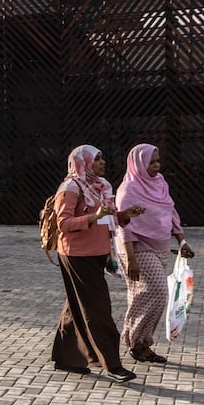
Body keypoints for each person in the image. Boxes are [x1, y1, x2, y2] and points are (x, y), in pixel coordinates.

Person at [51, 145, 143, 383]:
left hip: (97, 253)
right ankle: (112, 364)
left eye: (102, 157)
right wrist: (94, 216)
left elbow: (108, 216)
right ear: (84, 161)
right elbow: (64, 223)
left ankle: (67, 358)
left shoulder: (99, 186)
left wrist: (124, 215)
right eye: (98, 158)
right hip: (77, 255)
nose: (103, 162)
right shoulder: (70, 187)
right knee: (98, 308)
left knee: (77, 303)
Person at [115, 144, 194, 364]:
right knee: (157, 291)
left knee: (144, 295)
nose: (156, 166)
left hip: (160, 246)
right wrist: (130, 259)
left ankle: (142, 344)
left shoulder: (160, 183)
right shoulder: (128, 189)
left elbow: (171, 211)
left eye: (158, 161)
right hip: (137, 247)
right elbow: (124, 225)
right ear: (139, 163)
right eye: (152, 162)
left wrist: (182, 240)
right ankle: (135, 340)